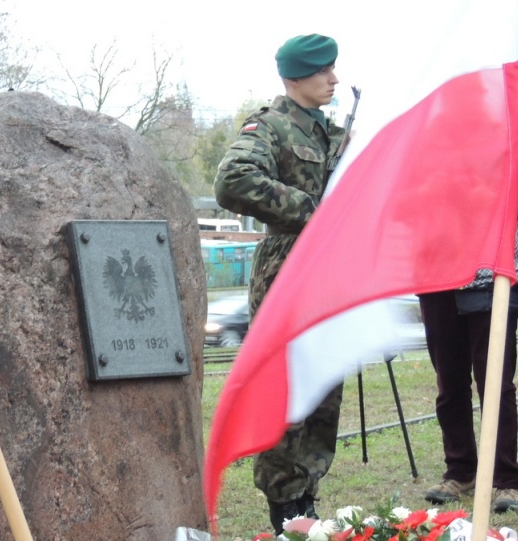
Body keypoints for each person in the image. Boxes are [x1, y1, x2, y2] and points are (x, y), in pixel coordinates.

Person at [212, 33, 346, 536]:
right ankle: (286, 514)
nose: (333, 80)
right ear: (294, 78)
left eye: (333, 70)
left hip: (331, 275)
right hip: (289, 274)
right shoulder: (269, 126)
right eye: (322, 72)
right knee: (286, 400)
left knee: (321, 396)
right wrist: (314, 213)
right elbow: (233, 180)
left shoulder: (330, 132)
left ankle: (306, 503)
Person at [420, 147, 518, 513]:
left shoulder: (512, 145)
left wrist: (481, 191)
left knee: (496, 384)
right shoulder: (428, 147)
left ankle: (506, 480)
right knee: (450, 385)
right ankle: (460, 471)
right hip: (437, 276)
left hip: (490, 278)